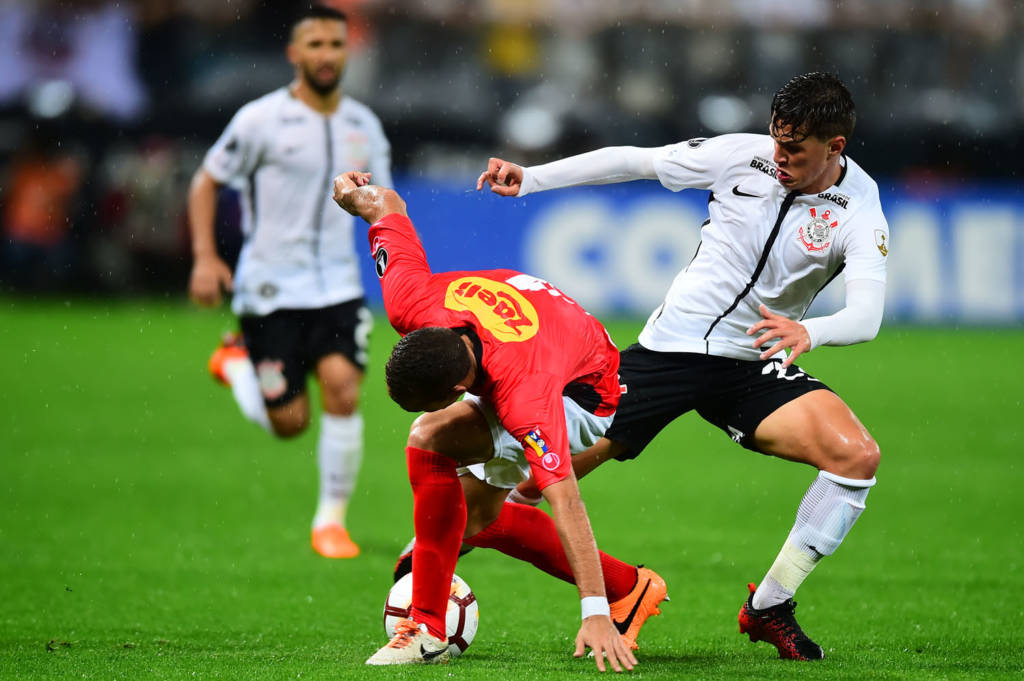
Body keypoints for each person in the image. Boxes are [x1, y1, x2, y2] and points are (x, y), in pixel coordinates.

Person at [478, 72, 887, 661]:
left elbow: (867, 316)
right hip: (669, 352)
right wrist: (533, 178)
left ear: (835, 147)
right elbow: (635, 160)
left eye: (795, 149)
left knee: (857, 457)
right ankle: (438, 552)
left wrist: (810, 331)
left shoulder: (860, 211)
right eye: (777, 140)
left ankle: (770, 605)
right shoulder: (741, 157)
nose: (779, 156)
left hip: (753, 364)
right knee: (530, 478)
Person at [331, 171, 667, 670]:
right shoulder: (411, 302)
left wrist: (593, 611)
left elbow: (565, 497)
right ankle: (629, 586)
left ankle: (426, 628)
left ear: (457, 391)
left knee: (428, 439)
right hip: (538, 339)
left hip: (584, 395)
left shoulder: (526, 399)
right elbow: (386, 204)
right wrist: (351, 194)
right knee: (467, 520)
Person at [187, 6, 391, 559]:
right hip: (270, 289)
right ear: (294, 53)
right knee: (290, 422)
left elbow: (385, 203)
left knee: (343, 390)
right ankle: (236, 364)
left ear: (347, 51)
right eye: (315, 44)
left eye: (335, 44)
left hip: (338, 286)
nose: (327, 55)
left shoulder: (364, 126)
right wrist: (205, 257)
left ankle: (331, 522)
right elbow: (206, 181)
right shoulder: (260, 120)